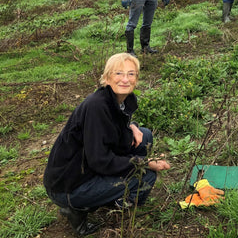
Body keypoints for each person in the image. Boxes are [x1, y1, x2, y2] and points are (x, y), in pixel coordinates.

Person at [43, 53, 170, 236]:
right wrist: (144, 162)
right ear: (107, 77)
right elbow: (100, 160)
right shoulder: (96, 107)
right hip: (69, 185)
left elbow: (112, 132)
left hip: (88, 166)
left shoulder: (119, 100)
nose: (125, 79)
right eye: (118, 73)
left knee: (145, 135)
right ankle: (86, 206)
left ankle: (108, 194)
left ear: (137, 78)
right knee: (146, 175)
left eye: (131, 74)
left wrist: (131, 126)